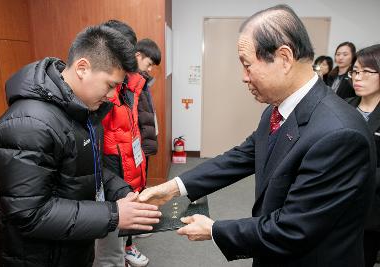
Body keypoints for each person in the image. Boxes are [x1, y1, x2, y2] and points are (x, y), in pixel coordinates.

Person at [139, 5, 376, 267]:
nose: (244, 77)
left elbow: (294, 229)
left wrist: (216, 230)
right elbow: (241, 156)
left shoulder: (339, 134)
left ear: (284, 58)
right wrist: (172, 188)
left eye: (247, 65)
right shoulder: (277, 109)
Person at [0, 25, 161, 267]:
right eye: (110, 85)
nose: (113, 96)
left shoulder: (83, 109)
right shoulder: (28, 125)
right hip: (38, 258)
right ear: (82, 68)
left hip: (71, 247)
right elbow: (29, 214)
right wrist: (113, 215)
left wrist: (124, 193)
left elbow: (91, 169)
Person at [94, 20, 150, 267]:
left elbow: (133, 127)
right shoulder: (102, 90)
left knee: (122, 227)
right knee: (108, 245)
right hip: (109, 167)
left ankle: (127, 247)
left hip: (129, 163)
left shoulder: (133, 85)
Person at [346, 44, 380, 267]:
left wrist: (357, 180)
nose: (358, 77)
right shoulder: (344, 107)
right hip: (337, 203)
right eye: (355, 71)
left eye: (366, 72)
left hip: (373, 208)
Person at [136, 38, 161, 177]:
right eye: (149, 64)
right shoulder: (130, 82)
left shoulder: (143, 81)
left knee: (142, 177)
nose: (150, 69)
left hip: (144, 141)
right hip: (137, 143)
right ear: (138, 56)